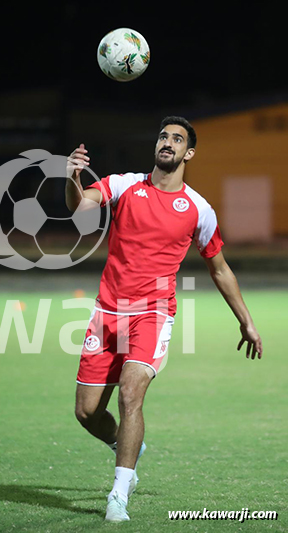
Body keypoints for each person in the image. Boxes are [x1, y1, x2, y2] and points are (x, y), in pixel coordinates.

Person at [65, 116, 263, 522]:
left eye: (177, 139)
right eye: (163, 136)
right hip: (107, 312)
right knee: (86, 412)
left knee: (130, 393)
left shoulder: (198, 209)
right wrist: (72, 180)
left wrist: (246, 320)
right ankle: (128, 446)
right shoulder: (123, 185)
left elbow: (220, 269)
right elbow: (82, 212)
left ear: (189, 153)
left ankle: (118, 493)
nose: (167, 143)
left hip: (153, 313)